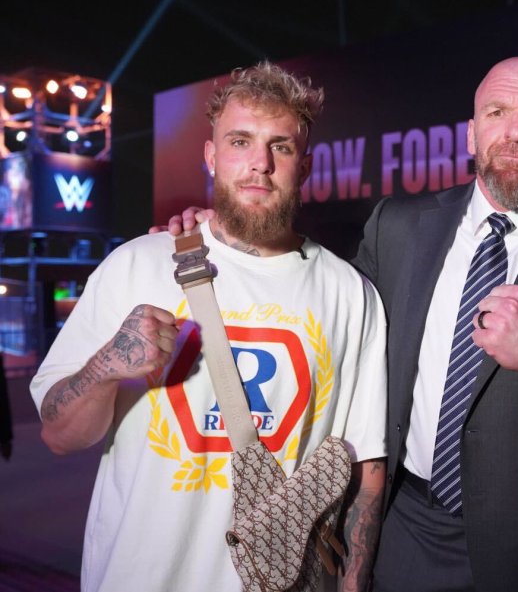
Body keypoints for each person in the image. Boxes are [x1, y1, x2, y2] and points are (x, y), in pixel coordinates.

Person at [169, 56, 518, 592]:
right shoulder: (398, 226)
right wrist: (218, 238)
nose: (516, 131)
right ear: (473, 134)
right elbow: (320, 314)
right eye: (497, 112)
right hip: (406, 531)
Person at [30, 62, 387, 592]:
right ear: (211, 155)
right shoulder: (136, 265)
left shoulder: (351, 294)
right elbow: (60, 437)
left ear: (305, 166)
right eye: (240, 142)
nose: (259, 164)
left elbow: (366, 471)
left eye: (281, 147)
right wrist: (107, 366)